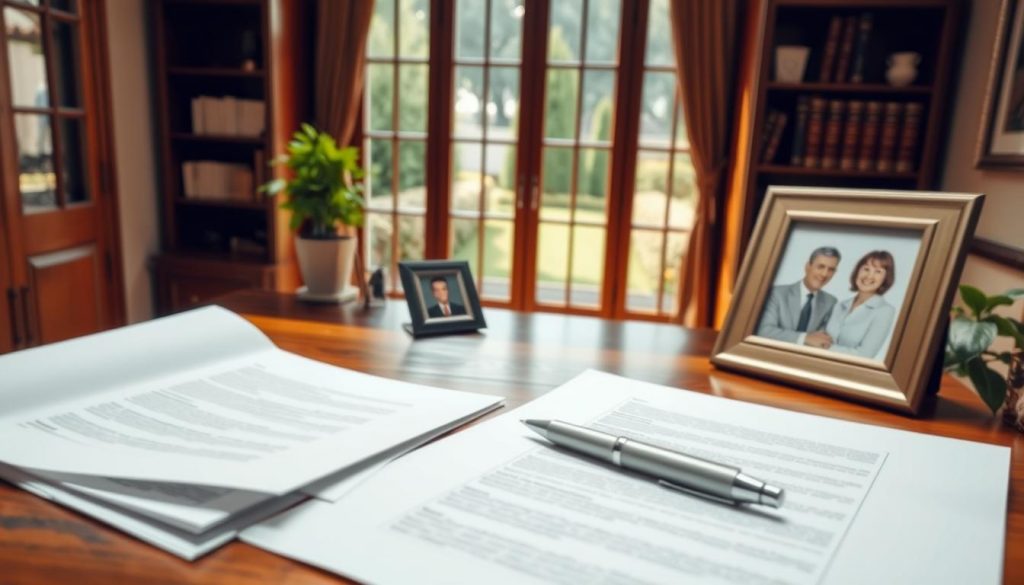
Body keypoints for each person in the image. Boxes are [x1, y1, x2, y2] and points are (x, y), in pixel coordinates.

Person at [809, 250, 897, 359]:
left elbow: (865, 355)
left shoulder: (884, 311)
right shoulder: (840, 305)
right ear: (857, 271)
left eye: (878, 272)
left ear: (885, 278)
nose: (869, 276)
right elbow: (821, 336)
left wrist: (825, 347)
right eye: (866, 269)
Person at [757, 246, 840, 346]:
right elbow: (764, 330)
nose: (824, 274)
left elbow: (823, 339)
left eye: (831, 269)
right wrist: (805, 338)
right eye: (820, 267)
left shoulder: (831, 302)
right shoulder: (776, 293)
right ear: (808, 266)